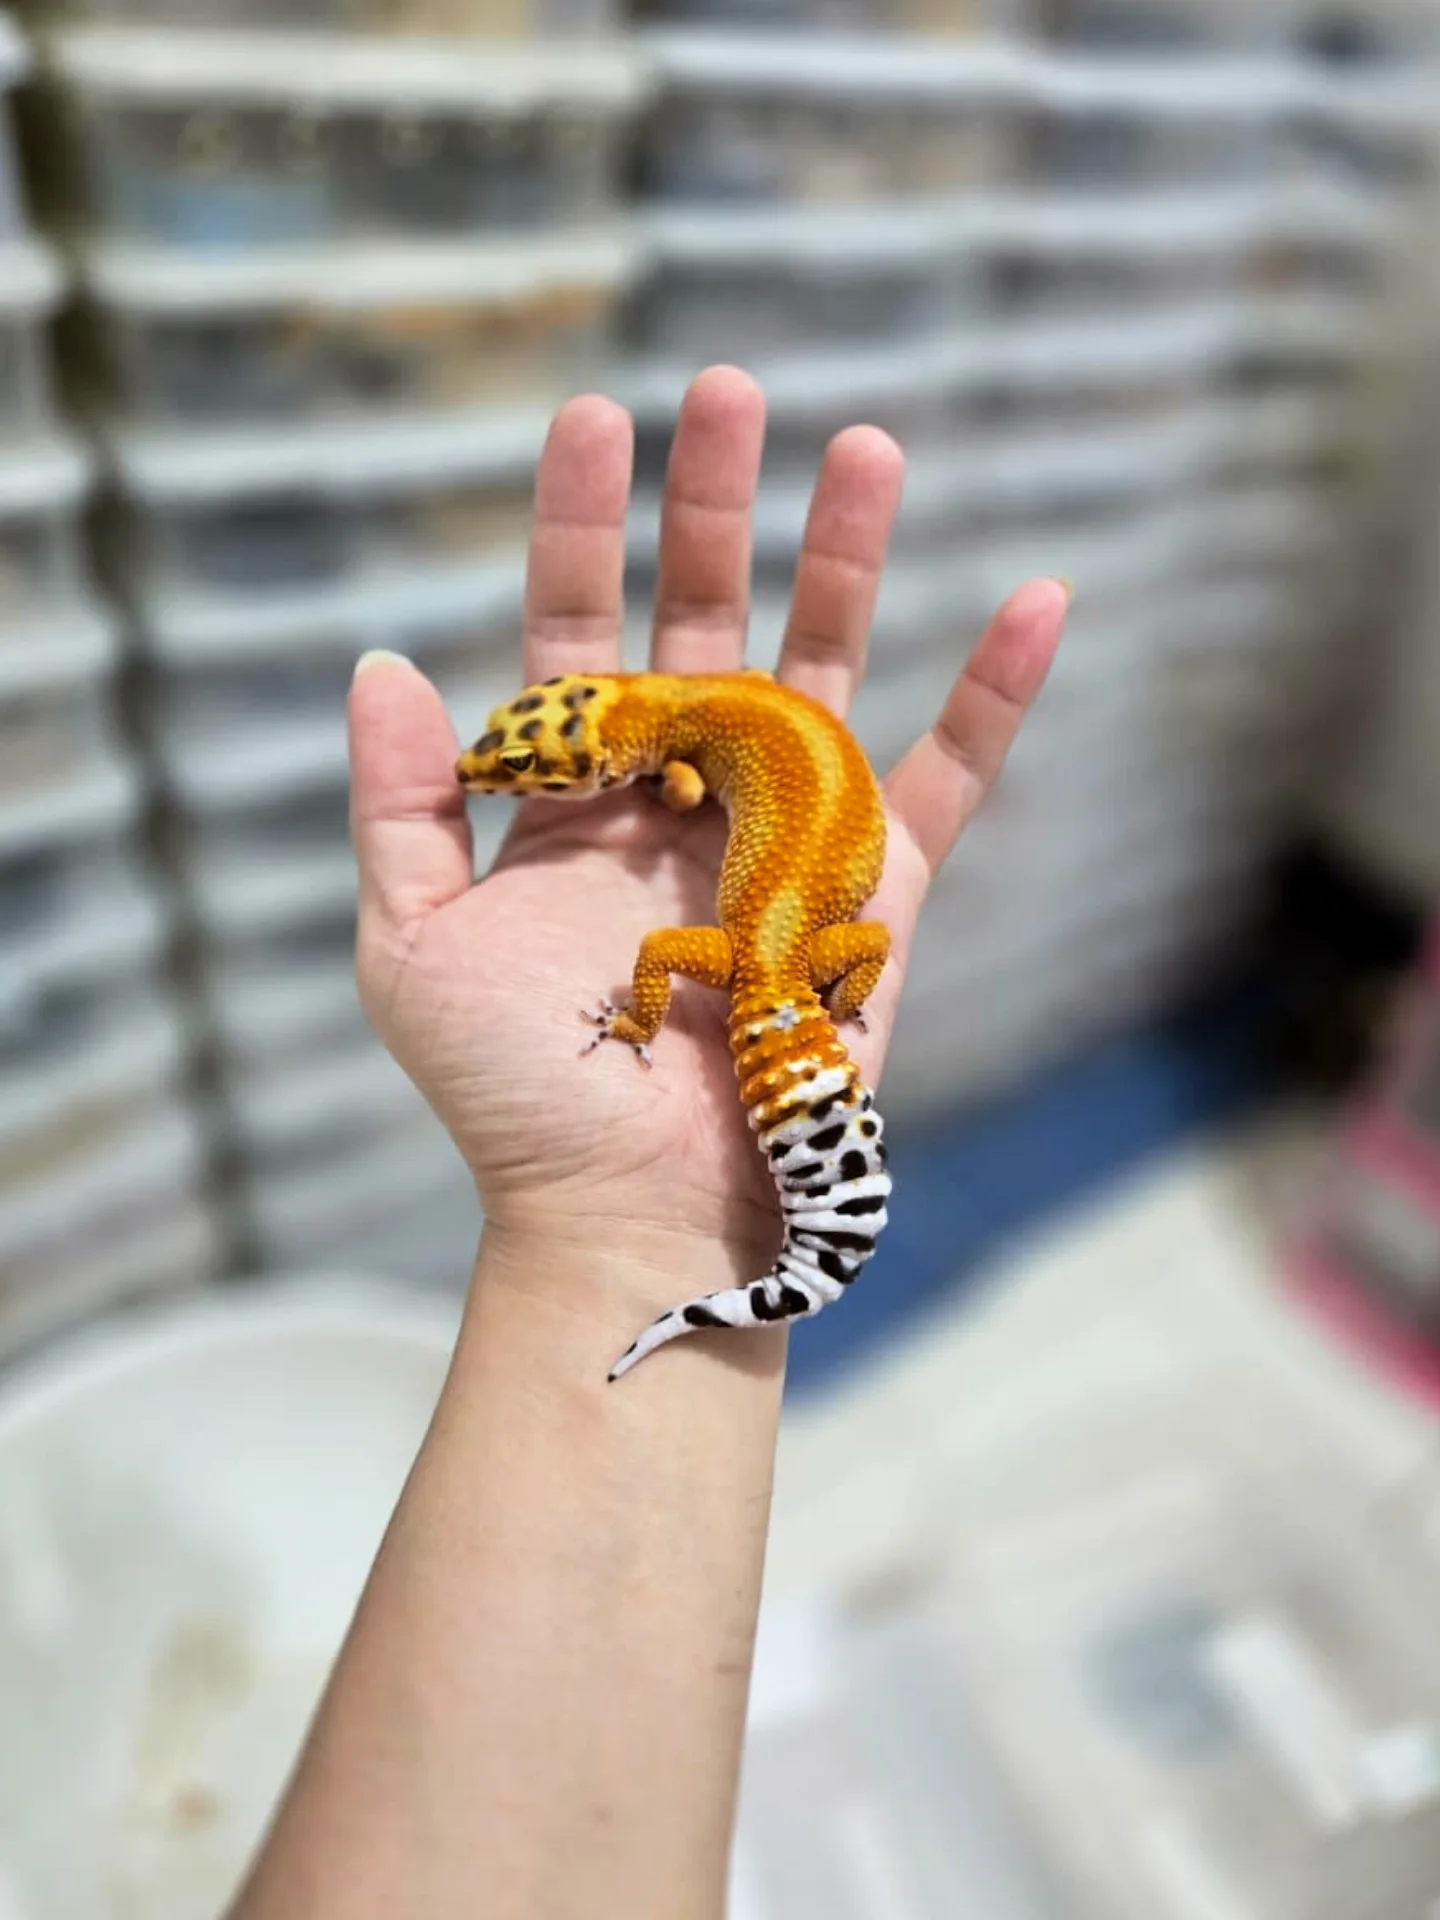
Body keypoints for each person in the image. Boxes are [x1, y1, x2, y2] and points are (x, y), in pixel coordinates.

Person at [228, 367, 1069, 1919]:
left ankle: (742, 1201)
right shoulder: (677, 758)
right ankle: (754, 1205)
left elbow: (680, 826)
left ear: (601, 753)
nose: (503, 778)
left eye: (527, 765)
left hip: (764, 948)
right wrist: (811, 999)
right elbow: (696, 810)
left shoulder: (677, 771)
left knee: (715, 961)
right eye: (514, 758)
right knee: (751, 958)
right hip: (801, 941)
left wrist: (636, 1016)